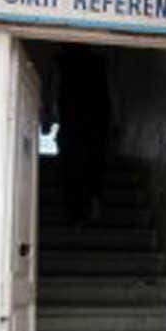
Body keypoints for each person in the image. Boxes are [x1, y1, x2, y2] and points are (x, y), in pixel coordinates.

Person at [55, 44, 111, 224]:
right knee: (92, 164)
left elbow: (54, 87)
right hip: (94, 123)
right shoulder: (98, 64)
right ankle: (92, 201)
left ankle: (76, 211)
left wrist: (46, 114)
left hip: (74, 123)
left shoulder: (62, 62)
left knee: (72, 167)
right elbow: (107, 96)